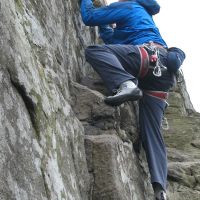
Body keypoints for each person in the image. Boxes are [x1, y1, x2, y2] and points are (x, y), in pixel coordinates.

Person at [80, 0, 185, 199]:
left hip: (146, 58)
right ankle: (160, 189)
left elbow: (89, 17)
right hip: (162, 76)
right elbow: (113, 40)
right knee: (153, 133)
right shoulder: (144, 16)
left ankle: (126, 84)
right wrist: (105, 25)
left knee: (94, 50)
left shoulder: (128, 6)